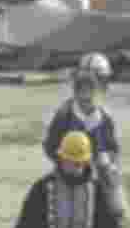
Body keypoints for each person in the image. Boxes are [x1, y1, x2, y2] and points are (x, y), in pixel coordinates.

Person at [43, 53, 125, 217]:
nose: (101, 87)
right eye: (99, 81)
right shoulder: (64, 114)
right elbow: (50, 146)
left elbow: (113, 148)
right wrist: (69, 161)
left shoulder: (104, 116)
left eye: (102, 82)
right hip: (69, 173)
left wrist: (107, 163)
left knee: (116, 209)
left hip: (101, 175)